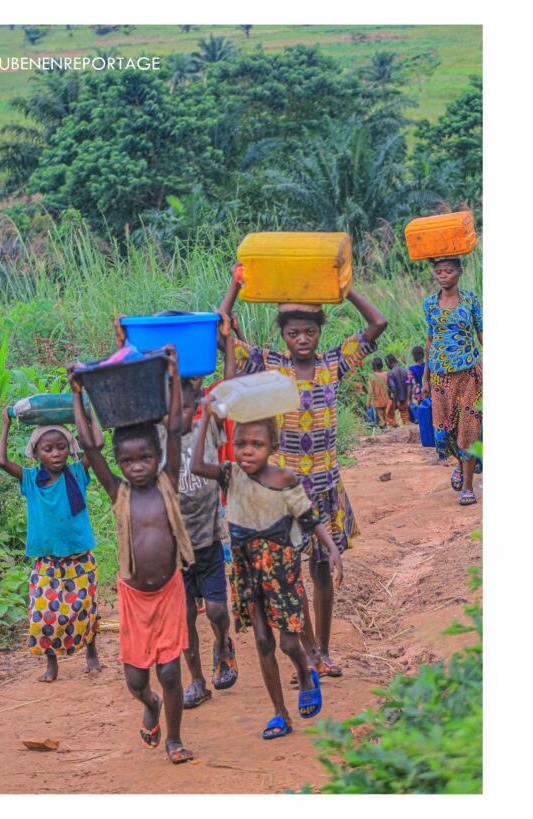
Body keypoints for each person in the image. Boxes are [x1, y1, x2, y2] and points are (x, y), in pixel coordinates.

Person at [220, 279, 387, 677]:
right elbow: (220, 328)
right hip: (286, 493)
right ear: (282, 335)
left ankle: (324, 651)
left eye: (310, 332)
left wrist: (342, 289)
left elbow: (377, 323)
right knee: (291, 576)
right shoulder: (271, 364)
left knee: (323, 570)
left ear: (319, 332)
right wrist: (236, 285)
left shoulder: (334, 363)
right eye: (293, 333)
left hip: (326, 487)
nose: (302, 339)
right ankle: (308, 653)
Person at [70, 346, 196, 764]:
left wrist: (173, 374)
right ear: (119, 463)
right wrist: (78, 392)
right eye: (127, 459)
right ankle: (151, 706)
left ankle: (174, 739)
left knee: (171, 672)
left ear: (158, 458)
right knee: (136, 680)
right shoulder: (118, 493)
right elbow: (89, 446)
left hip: (169, 591)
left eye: (144, 457)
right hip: (133, 598)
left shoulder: (167, 483)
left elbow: (175, 428)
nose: (137, 465)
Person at [190, 404, 343, 739]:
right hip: (246, 572)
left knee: (289, 643)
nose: (247, 450)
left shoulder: (283, 478)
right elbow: (197, 465)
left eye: (256, 444)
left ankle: (304, 673)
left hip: (281, 571)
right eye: (241, 443)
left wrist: (331, 549)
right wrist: (205, 422)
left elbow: (308, 516)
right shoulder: (230, 473)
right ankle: (280, 713)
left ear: (273, 447)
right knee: (262, 641)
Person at [0, 411, 103, 682]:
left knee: (84, 608)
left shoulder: (77, 472)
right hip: (47, 561)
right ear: (36, 452)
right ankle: (51, 664)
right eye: (48, 449)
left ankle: (92, 653)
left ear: (69, 449)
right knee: (43, 614)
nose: (56, 453)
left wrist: (89, 419)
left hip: (79, 557)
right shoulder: (31, 480)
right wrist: (6, 424)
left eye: (61, 447)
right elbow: (1, 461)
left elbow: (98, 446)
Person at [166, 314, 240, 710]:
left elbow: (227, 386)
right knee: (184, 621)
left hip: (210, 538)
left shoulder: (205, 425)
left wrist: (226, 341)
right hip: (175, 546)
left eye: (189, 398)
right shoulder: (156, 437)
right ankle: (196, 680)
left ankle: (224, 644)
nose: (182, 408)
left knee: (214, 610)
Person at [421, 256, 483, 506]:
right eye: (439, 272)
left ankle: (468, 485)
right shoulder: (429, 304)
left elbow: (482, 332)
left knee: (469, 428)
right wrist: (425, 377)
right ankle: (459, 466)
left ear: (459, 272)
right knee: (447, 428)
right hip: (440, 378)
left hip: (468, 374)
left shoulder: (470, 300)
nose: (443, 275)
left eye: (448, 271)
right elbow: (430, 339)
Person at [386, 353, 411, 426]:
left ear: (388, 363)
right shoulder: (405, 371)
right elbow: (409, 384)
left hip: (396, 399)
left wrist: (396, 401)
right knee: (405, 416)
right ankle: (407, 428)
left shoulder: (390, 373)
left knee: (388, 415)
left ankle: (395, 426)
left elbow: (393, 388)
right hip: (404, 399)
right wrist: (408, 398)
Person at [368, 357, 392, 428]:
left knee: (380, 415)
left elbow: (370, 391)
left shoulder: (372, 376)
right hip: (386, 398)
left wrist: (368, 402)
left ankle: (383, 424)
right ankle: (385, 425)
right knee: (385, 414)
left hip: (377, 399)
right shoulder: (386, 374)